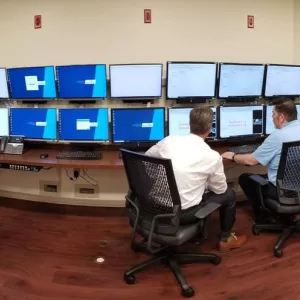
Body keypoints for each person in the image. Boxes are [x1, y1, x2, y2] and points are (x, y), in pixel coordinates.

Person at [146, 106, 247, 252]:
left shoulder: (169, 140)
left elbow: (147, 158)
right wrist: (203, 183)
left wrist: (162, 177)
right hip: (182, 214)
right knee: (229, 194)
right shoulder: (212, 156)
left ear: (189, 124)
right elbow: (220, 190)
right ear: (210, 127)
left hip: (153, 205)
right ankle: (226, 239)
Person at [222, 98, 300, 223]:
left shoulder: (277, 136)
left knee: (245, 178)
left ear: (281, 117)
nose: (272, 118)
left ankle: (266, 217)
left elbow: (251, 161)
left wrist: (232, 156)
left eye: (273, 114)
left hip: (283, 191)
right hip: (297, 185)